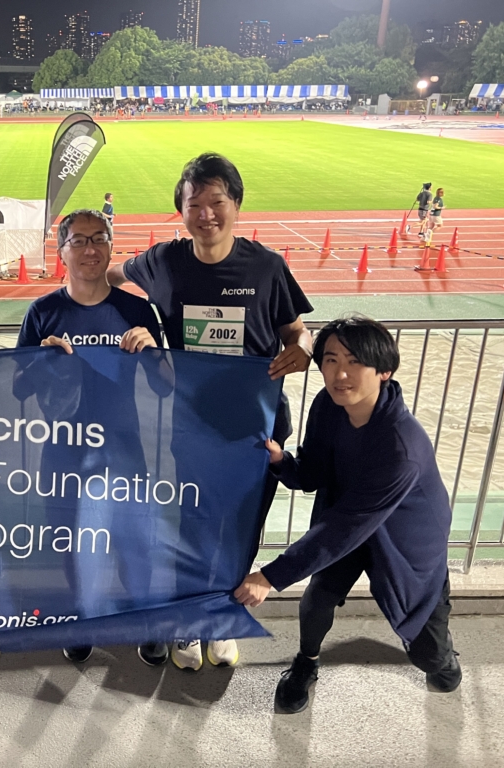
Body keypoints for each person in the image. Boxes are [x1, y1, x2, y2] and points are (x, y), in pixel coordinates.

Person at [107, 152, 313, 671]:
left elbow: (296, 331)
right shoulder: (163, 261)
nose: (206, 215)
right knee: (191, 524)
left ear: (236, 205)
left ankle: (221, 617)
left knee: (241, 527)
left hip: (256, 430)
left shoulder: (266, 267)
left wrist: (305, 348)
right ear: (180, 211)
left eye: (216, 202)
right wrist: (136, 326)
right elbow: (108, 275)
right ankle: (187, 622)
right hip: (190, 427)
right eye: (193, 204)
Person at [234, 316, 461, 714]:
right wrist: (282, 462)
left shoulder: (401, 447)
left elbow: (344, 528)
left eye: (355, 362)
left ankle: (442, 656)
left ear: (384, 371)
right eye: (331, 360)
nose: (340, 374)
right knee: (318, 598)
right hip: (348, 515)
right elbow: (314, 472)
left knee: (430, 658)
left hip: (405, 537)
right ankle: (306, 662)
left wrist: (270, 576)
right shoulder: (328, 405)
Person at [17, 208, 165, 665]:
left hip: (123, 449)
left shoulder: (136, 310)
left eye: (99, 238)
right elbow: (17, 387)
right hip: (63, 451)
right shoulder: (43, 312)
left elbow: (164, 385)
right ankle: (81, 618)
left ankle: (146, 622)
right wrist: (42, 362)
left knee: (133, 540)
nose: (89, 249)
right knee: (71, 541)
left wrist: (153, 351)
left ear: (111, 247)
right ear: (61, 252)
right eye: (78, 240)